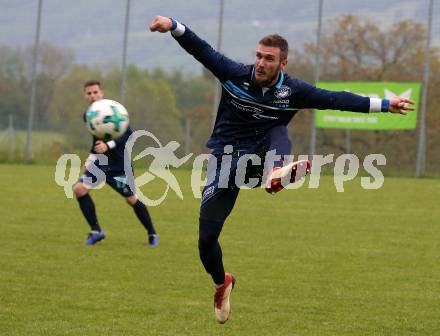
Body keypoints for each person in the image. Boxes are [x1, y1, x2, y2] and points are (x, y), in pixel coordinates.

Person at [149, 16, 414, 323]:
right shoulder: (234, 74)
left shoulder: (293, 91)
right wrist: (174, 25)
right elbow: (202, 50)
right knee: (206, 240)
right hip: (226, 159)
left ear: (283, 63)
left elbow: (336, 99)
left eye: (269, 59)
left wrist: (384, 104)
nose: (261, 63)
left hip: (263, 152)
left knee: (277, 130)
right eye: (259, 56)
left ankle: (276, 171)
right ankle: (222, 283)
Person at [72, 80, 159, 246]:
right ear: (85, 96)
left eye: (95, 92)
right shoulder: (88, 115)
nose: (92, 96)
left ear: (102, 93)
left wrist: (109, 145)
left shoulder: (112, 110)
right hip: (101, 164)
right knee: (79, 189)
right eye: (89, 93)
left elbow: (129, 134)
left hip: (120, 165)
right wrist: (91, 158)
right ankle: (96, 231)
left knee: (131, 199)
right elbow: (96, 138)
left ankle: (152, 233)